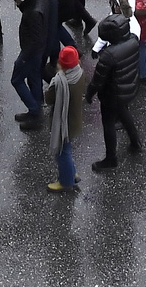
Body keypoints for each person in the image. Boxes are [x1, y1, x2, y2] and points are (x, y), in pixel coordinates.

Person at [89, 14, 143, 169]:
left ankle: (111, 159)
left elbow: (97, 80)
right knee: (125, 113)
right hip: (127, 88)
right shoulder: (133, 40)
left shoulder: (108, 55)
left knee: (108, 124)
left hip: (111, 95)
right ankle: (135, 142)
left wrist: (90, 94)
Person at [13, 0, 59, 126]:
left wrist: (23, 59)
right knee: (34, 78)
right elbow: (29, 8)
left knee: (16, 80)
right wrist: (20, 2)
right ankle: (35, 109)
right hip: (38, 51)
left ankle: (35, 110)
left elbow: (34, 38)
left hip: (30, 52)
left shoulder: (34, 11)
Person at [46, 45, 88, 193]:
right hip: (75, 119)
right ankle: (72, 173)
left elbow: (48, 99)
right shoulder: (80, 73)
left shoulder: (60, 82)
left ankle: (66, 182)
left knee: (62, 151)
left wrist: (56, 77)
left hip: (64, 124)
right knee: (67, 149)